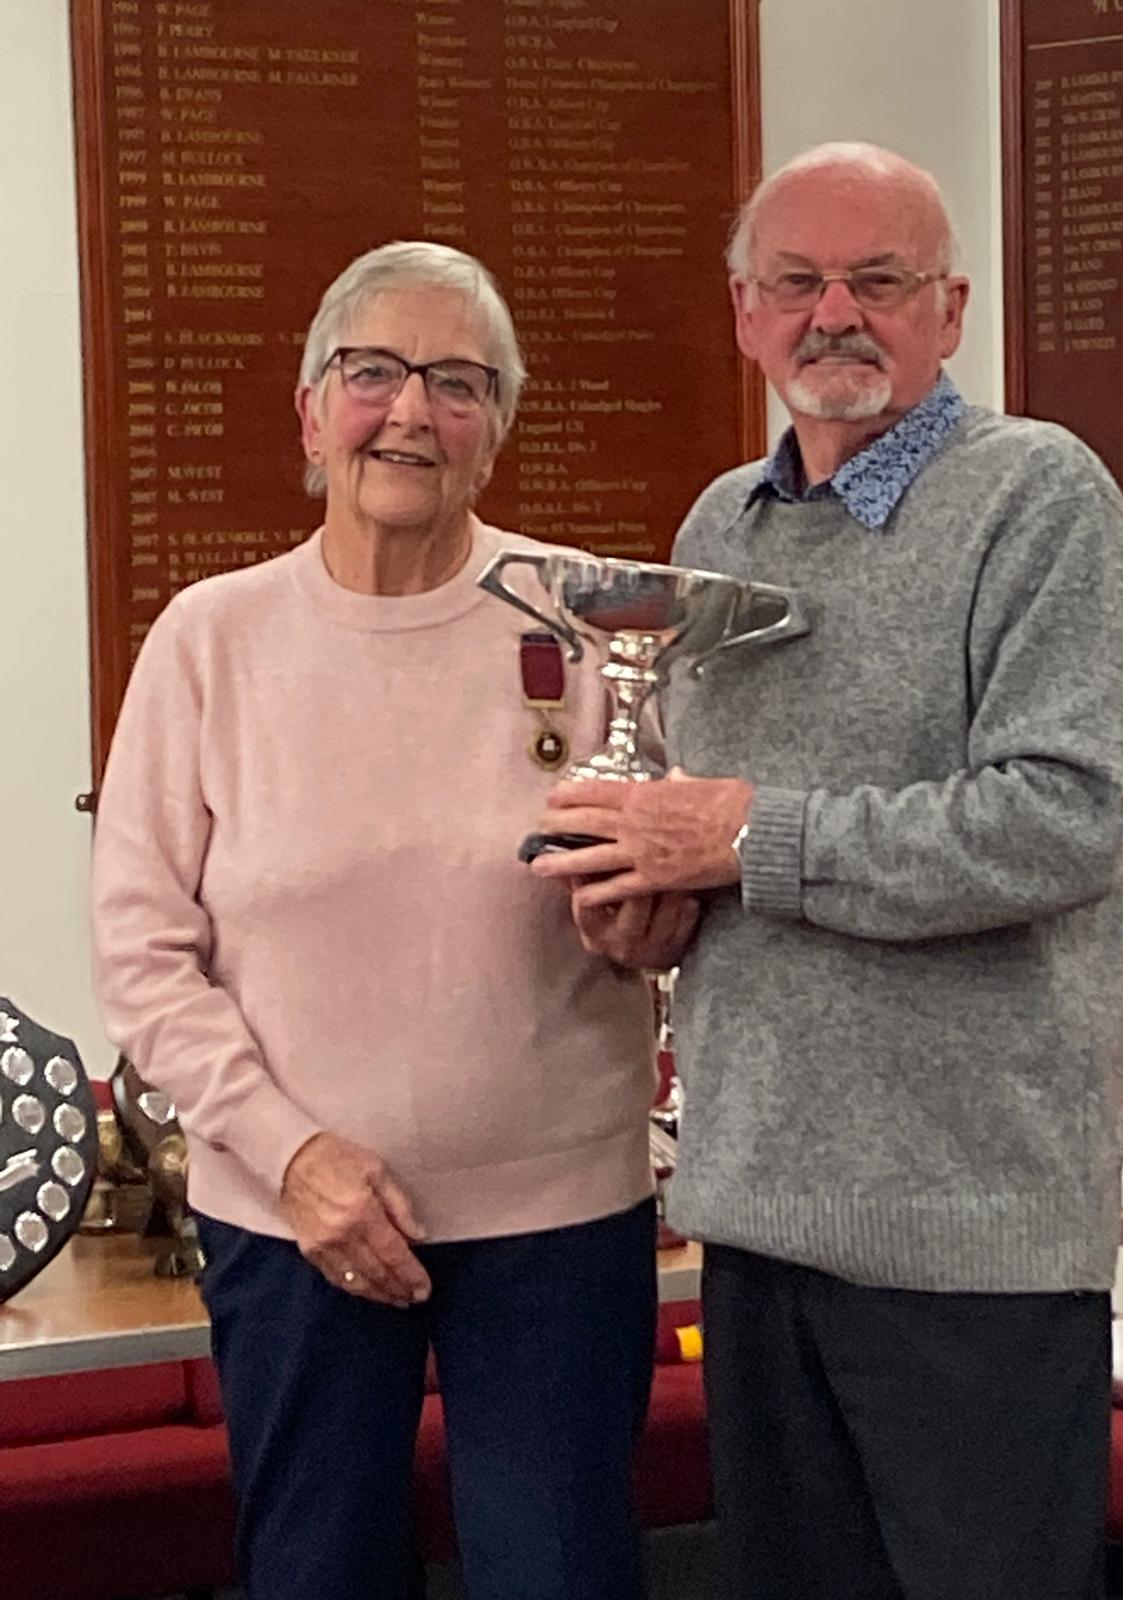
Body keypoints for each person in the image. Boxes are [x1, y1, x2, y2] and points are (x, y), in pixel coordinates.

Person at [530, 143, 1123, 1600]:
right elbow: (708, 845)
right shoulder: (714, 531)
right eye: (798, 283)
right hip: (754, 1227)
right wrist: (652, 908)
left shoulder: (1041, 500)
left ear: (949, 308)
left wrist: (750, 836)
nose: (837, 315)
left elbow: (1060, 820)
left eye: (878, 282)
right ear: (745, 312)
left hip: (969, 1253)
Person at [91, 240, 683, 1600]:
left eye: (457, 383)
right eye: (374, 372)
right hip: (293, 1222)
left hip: (558, 1222)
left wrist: (649, 926)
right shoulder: (210, 640)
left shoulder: (597, 623)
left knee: (563, 1577)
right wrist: (291, 1153)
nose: (411, 410)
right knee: (316, 1576)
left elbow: (661, 893)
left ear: (497, 430)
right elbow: (142, 947)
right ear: (311, 411)